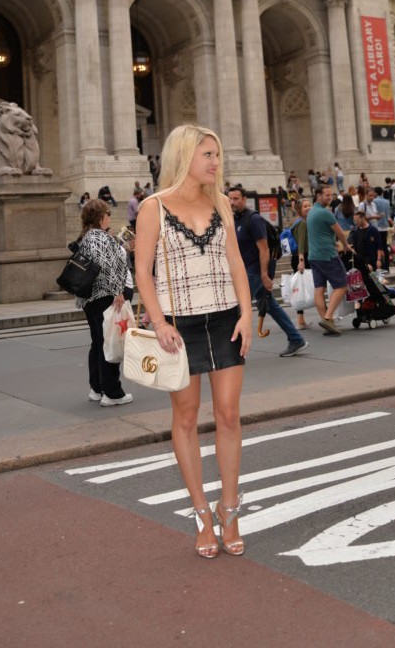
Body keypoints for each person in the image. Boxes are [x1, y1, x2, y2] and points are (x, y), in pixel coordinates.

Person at [135, 125, 252, 559]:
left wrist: (246, 311)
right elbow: (142, 271)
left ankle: (231, 509)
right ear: (186, 155)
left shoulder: (221, 202)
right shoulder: (154, 207)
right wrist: (160, 322)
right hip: (178, 326)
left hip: (225, 319)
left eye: (217, 155)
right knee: (185, 418)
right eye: (208, 154)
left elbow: (236, 263)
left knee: (229, 414)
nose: (215, 163)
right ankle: (202, 514)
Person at [228, 185, 308, 357]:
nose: (232, 202)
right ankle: (296, 339)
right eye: (230, 198)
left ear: (244, 199)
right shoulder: (235, 219)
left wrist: (265, 275)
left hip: (255, 271)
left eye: (235, 199)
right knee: (270, 305)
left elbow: (264, 249)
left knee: (236, 306)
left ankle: (231, 348)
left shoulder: (253, 219)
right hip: (246, 270)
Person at [76, 199, 133, 408]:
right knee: (109, 343)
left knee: (97, 343)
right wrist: (118, 292)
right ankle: (112, 392)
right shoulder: (100, 238)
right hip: (104, 296)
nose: (110, 215)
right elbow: (108, 267)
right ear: (101, 217)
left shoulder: (86, 237)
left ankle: (97, 388)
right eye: (108, 212)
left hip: (90, 299)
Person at [306, 184, 352, 336]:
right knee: (342, 286)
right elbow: (340, 233)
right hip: (327, 255)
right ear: (318, 196)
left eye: (331, 195)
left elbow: (321, 234)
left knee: (319, 289)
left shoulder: (311, 212)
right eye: (327, 195)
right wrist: (345, 246)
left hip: (314, 256)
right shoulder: (326, 213)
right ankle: (328, 317)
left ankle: (326, 321)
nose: (330, 198)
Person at [289, 198, 311, 330]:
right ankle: (326, 314)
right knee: (308, 287)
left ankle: (301, 320)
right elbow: (301, 244)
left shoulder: (297, 222)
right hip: (302, 258)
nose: (308, 208)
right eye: (305, 206)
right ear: (299, 210)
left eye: (309, 205)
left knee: (301, 289)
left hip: (298, 258)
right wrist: (301, 261)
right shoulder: (302, 223)